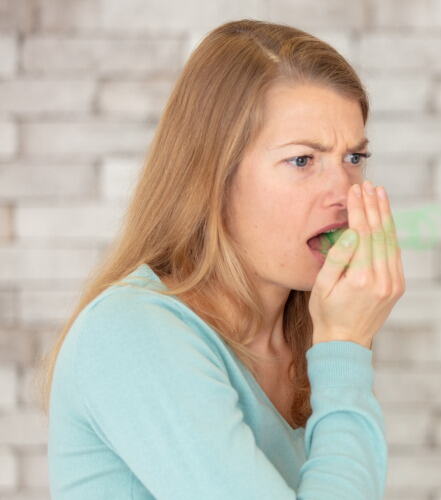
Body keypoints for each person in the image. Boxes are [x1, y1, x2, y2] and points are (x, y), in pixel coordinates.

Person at [43, 20, 404, 499]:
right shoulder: (131, 333)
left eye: (354, 159)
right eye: (303, 160)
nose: (344, 193)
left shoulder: (302, 337)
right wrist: (346, 350)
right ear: (213, 177)